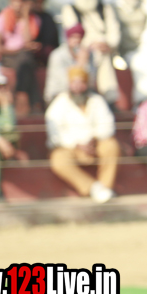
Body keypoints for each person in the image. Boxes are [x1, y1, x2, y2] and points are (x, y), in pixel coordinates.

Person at [45, 66, 119, 203]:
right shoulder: (60, 102)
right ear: (69, 84)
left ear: (86, 84)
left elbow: (107, 124)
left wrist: (94, 139)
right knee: (58, 160)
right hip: (71, 147)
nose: (78, 87)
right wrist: (76, 144)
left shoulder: (97, 100)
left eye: (81, 82)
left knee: (111, 146)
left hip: (94, 145)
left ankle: (106, 187)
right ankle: (94, 188)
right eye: (74, 82)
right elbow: (54, 132)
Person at [0, 0, 41, 116]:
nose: (17, 5)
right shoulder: (0, 19)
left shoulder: (33, 19)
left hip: (25, 56)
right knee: (25, 62)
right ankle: (31, 101)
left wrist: (25, 16)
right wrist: (20, 50)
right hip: (8, 56)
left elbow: (28, 40)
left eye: (21, 2)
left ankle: (20, 97)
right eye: (15, 1)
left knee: (25, 61)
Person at [44, 24, 99, 106]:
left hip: (82, 94)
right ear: (68, 39)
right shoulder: (57, 55)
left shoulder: (88, 54)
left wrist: (85, 63)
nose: (76, 40)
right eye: (73, 37)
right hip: (58, 94)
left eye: (79, 37)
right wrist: (80, 64)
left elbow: (91, 81)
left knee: (98, 102)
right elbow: (68, 84)